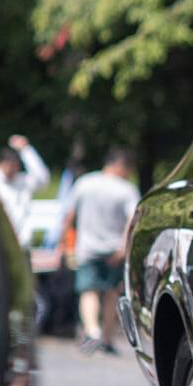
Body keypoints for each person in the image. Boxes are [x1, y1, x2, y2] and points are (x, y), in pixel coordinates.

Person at [64, 148, 139, 355]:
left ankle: (92, 332)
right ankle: (106, 338)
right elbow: (132, 220)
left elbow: (69, 215)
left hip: (86, 247)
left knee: (88, 291)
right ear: (120, 165)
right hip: (114, 249)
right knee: (111, 293)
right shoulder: (126, 189)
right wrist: (124, 248)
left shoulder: (84, 183)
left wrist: (66, 245)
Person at [0, 135, 51, 249]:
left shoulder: (22, 181)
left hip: (22, 243)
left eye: (15, 165)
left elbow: (42, 178)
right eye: (9, 165)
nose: (13, 169)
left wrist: (26, 150)